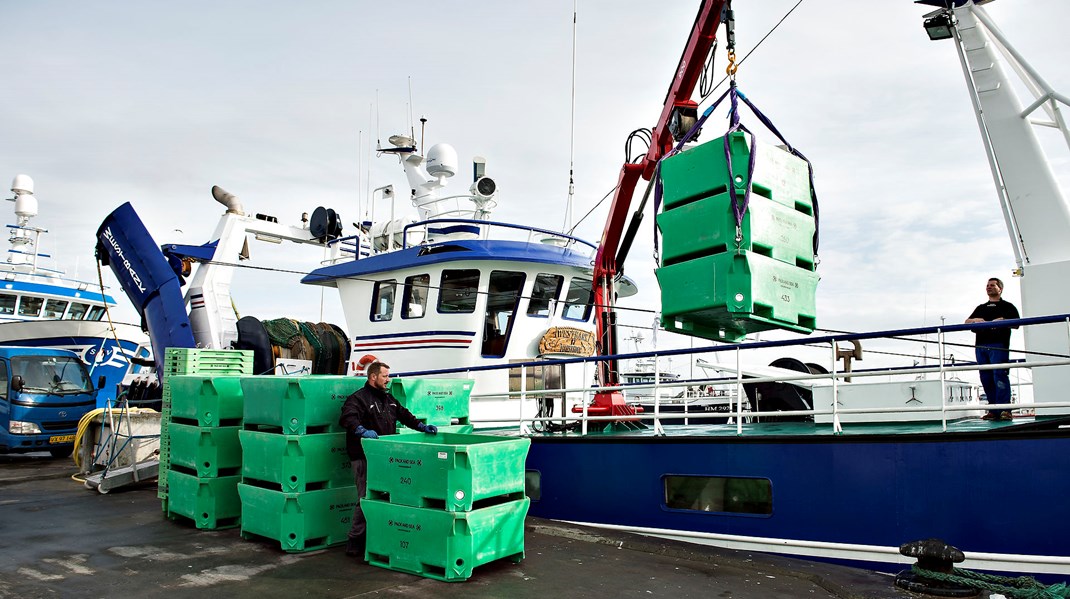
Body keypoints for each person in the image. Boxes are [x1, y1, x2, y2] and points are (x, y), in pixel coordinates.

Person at [338, 361, 437, 558]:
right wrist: (361, 431)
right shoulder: (358, 399)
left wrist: (422, 426)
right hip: (363, 457)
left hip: (386, 458)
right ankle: (355, 541)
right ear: (373, 377)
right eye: (385, 376)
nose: (388, 379)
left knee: (384, 498)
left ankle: (379, 537)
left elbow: (405, 416)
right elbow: (347, 418)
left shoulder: (389, 399)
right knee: (365, 498)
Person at [965, 277, 1020, 421]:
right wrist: (975, 320)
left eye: (992, 285)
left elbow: (1017, 323)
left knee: (999, 375)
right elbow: (966, 322)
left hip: (998, 345)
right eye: (987, 285)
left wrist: (1002, 321)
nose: (989, 287)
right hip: (981, 347)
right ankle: (993, 410)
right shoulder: (981, 308)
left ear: (1000, 289)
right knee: (986, 377)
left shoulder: (1008, 307)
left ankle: (1005, 410)